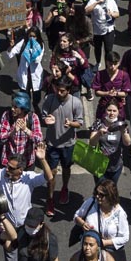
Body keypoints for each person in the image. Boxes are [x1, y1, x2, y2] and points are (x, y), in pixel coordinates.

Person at [41, 78, 85, 216]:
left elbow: (80, 123)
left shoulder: (75, 103)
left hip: (68, 144)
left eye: (62, 91)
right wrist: (46, 120)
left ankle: (65, 188)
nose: (59, 93)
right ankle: (50, 199)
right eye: (57, 90)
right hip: (52, 144)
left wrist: (71, 124)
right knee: (51, 172)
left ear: (68, 90)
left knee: (66, 168)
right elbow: (43, 115)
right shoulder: (49, 99)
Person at [72, 179, 129, 261]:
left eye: (101, 195)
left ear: (110, 196)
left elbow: (125, 237)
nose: (97, 196)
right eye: (96, 193)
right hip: (90, 252)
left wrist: (104, 243)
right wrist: (82, 224)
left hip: (110, 253)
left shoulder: (120, 213)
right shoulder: (91, 202)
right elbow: (76, 216)